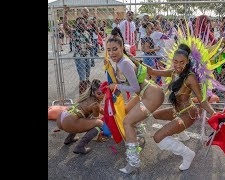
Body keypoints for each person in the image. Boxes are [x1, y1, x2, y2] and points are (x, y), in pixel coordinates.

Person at [102, 27, 165, 174]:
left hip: (152, 95)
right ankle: (138, 137)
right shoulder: (122, 59)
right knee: (126, 112)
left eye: (115, 49)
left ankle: (133, 162)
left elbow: (134, 86)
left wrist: (116, 85)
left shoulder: (124, 62)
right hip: (144, 94)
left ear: (122, 47)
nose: (111, 53)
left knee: (127, 122)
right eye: (109, 50)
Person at [145, 44, 216, 171]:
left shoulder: (190, 78)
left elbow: (203, 101)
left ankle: (188, 154)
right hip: (177, 110)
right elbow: (152, 71)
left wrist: (214, 114)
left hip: (188, 114)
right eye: (175, 61)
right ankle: (183, 135)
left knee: (158, 138)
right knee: (155, 114)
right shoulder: (173, 72)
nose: (178, 65)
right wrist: (130, 58)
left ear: (187, 61)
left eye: (182, 62)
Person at [56, 79, 105, 154]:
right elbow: (96, 120)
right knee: (100, 123)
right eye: (99, 94)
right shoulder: (95, 104)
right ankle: (80, 146)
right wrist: (100, 135)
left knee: (81, 119)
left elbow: (100, 110)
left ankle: (69, 139)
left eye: (104, 93)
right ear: (93, 92)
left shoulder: (86, 97)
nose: (102, 96)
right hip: (69, 122)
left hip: (62, 117)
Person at [63, 6, 93, 94]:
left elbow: (91, 44)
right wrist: (65, 14)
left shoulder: (87, 33)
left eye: (82, 23)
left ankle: (86, 88)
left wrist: (89, 45)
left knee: (87, 76)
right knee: (82, 78)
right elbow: (65, 27)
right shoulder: (74, 33)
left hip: (87, 56)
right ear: (76, 25)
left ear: (85, 25)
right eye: (78, 23)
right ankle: (82, 96)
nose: (81, 24)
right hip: (79, 58)